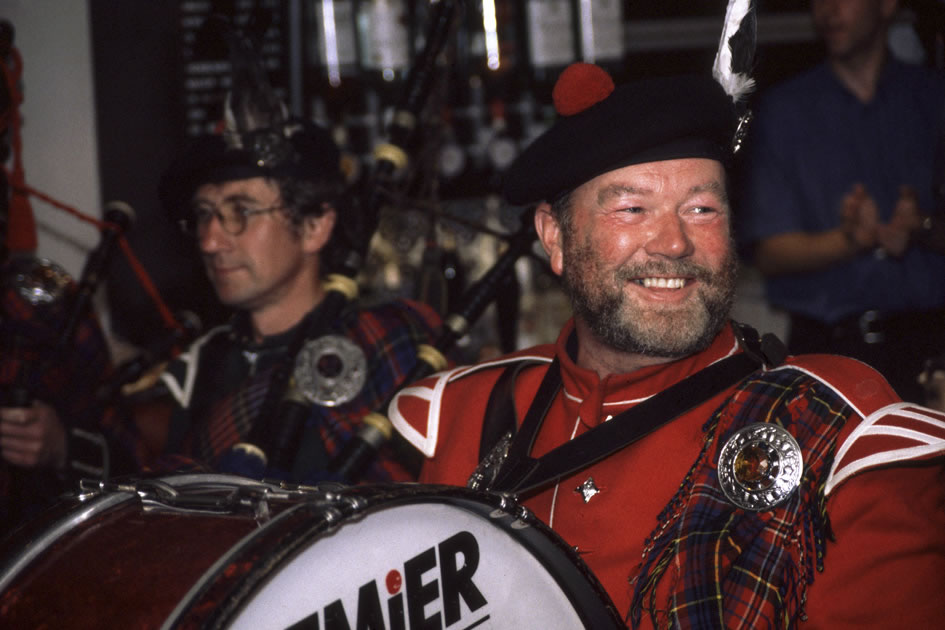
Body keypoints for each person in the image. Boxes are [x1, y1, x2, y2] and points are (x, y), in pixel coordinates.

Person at [386, 59, 945, 627]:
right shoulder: (456, 415)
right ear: (555, 237)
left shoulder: (839, 430)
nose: (675, 242)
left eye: (701, 208)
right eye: (632, 208)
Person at [139, 108, 443, 484]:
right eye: (204, 214)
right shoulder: (199, 369)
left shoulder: (393, 343)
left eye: (241, 211)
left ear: (315, 226)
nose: (210, 241)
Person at [738, 0, 945, 403]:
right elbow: (769, 251)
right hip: (827, 349)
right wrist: (850, 239)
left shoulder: (933, 100)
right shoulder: (785, 111)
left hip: (931, 344)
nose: (827, 11)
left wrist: (921, 228)